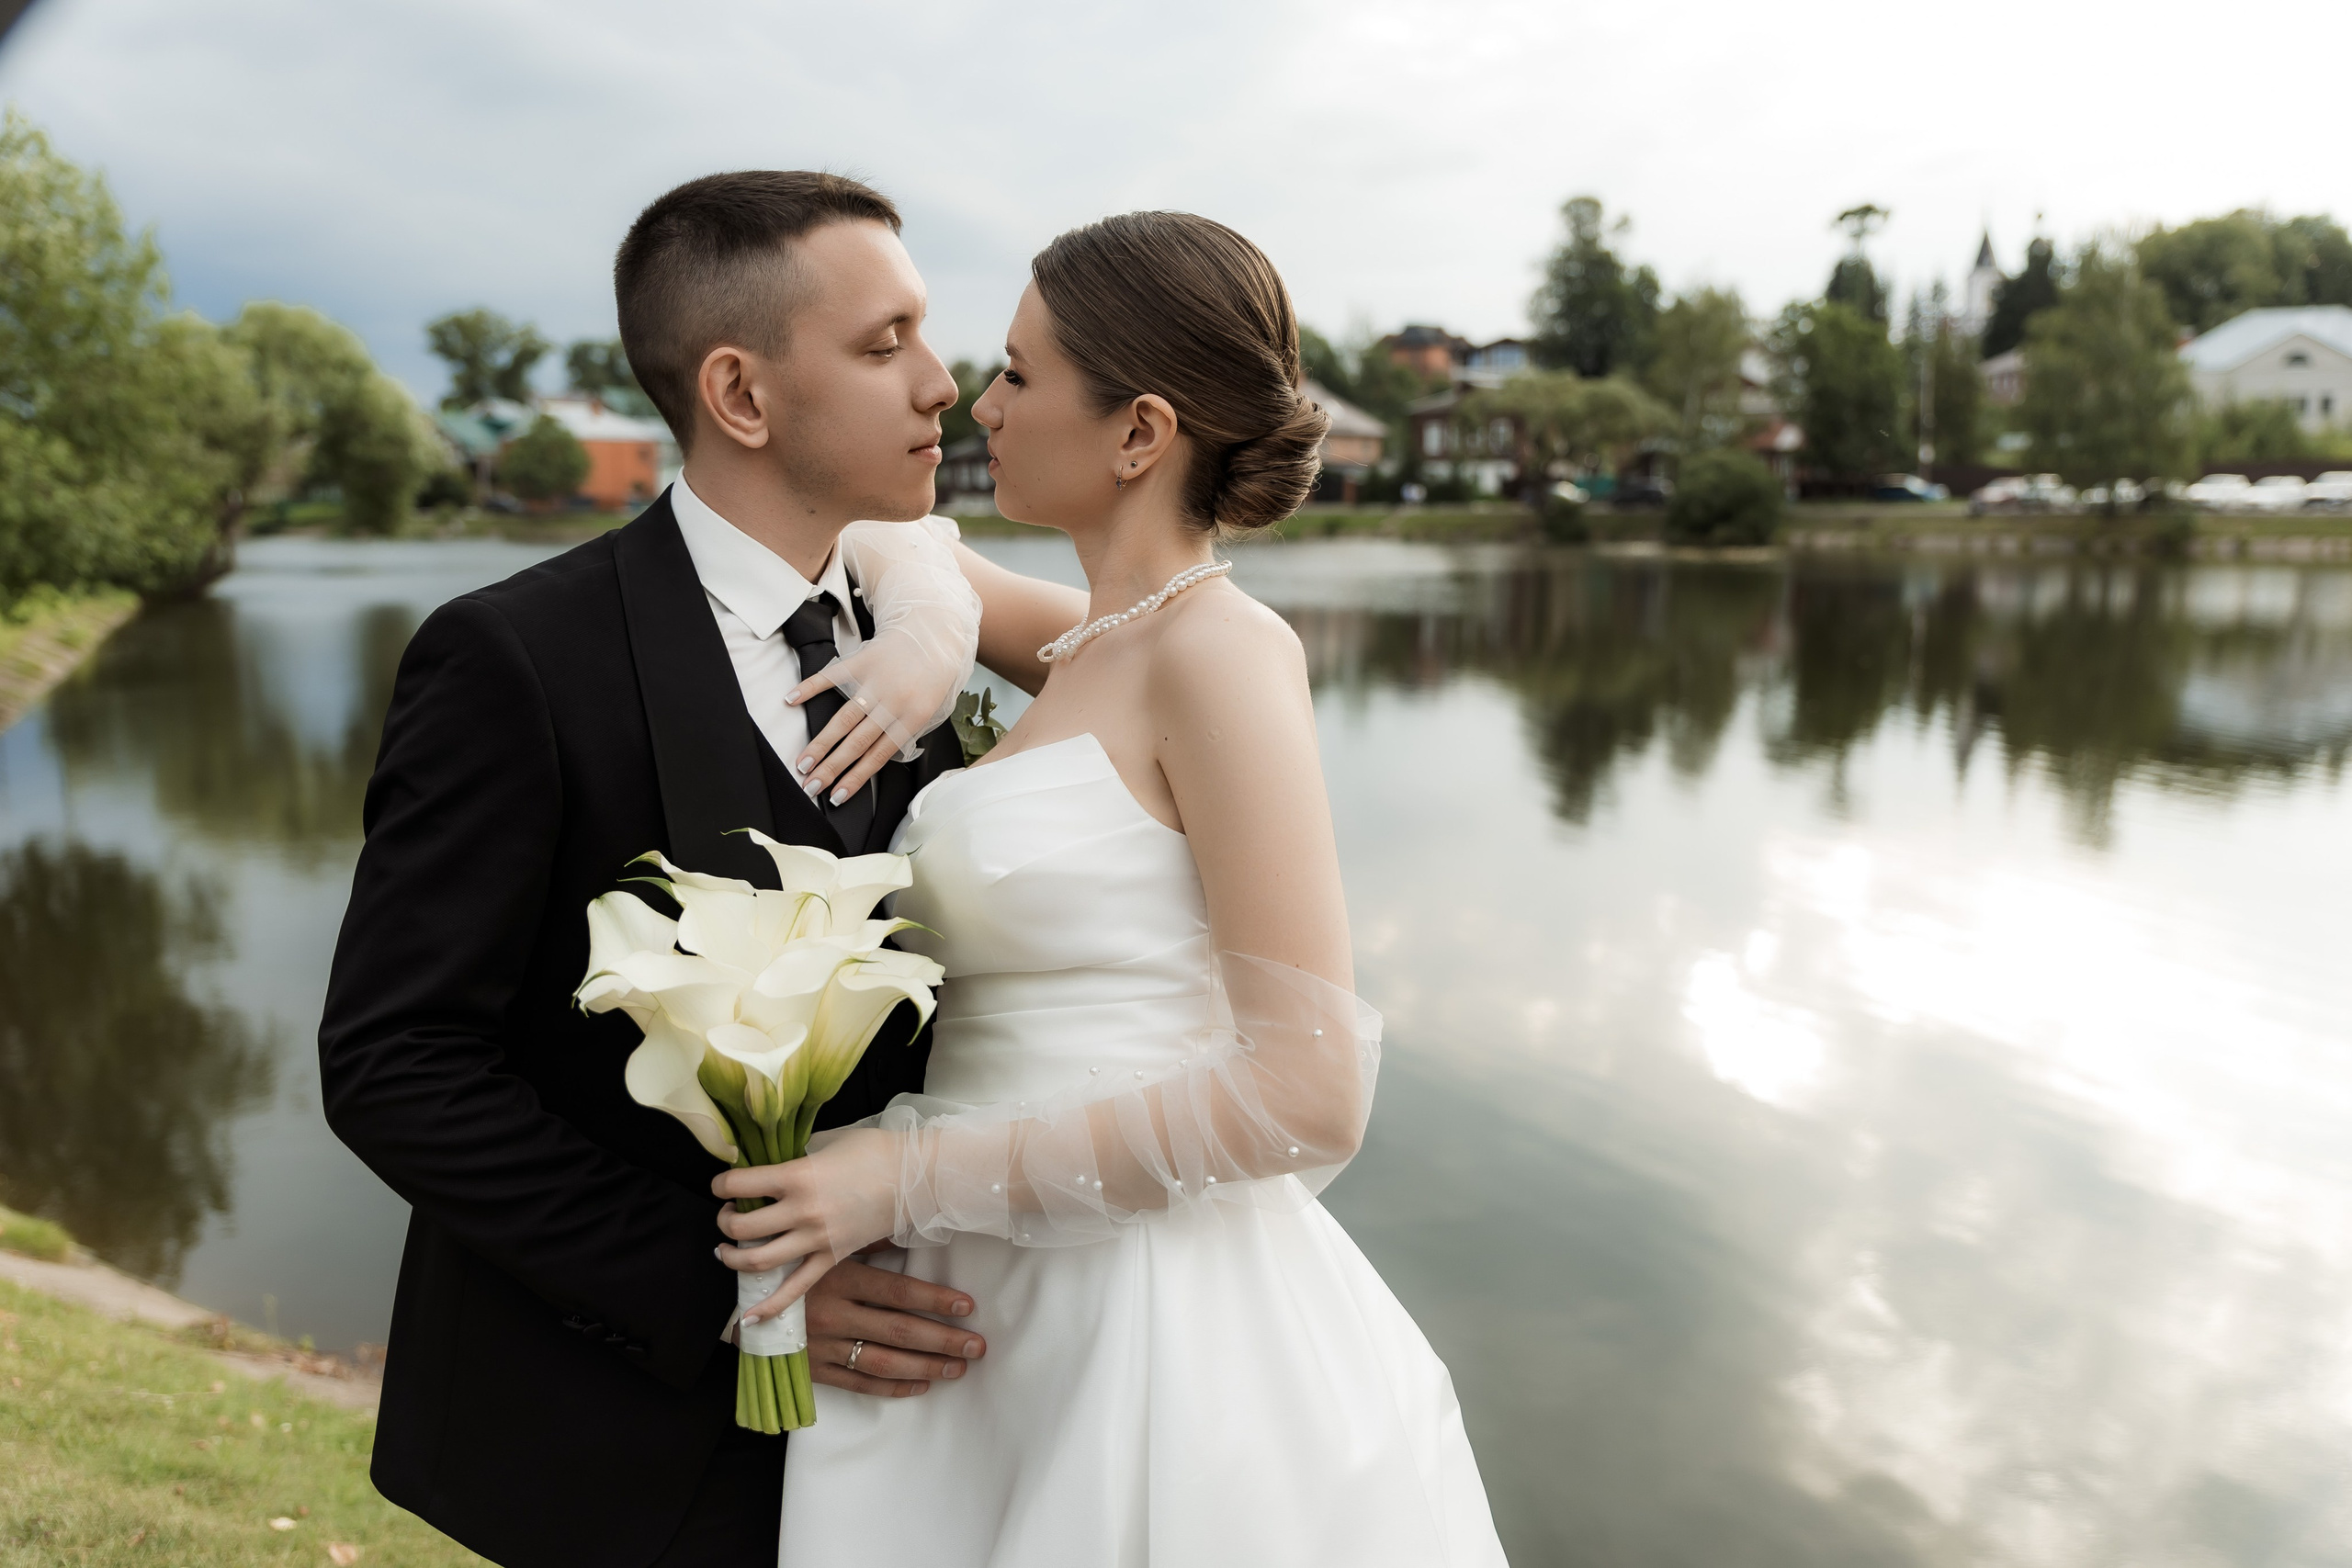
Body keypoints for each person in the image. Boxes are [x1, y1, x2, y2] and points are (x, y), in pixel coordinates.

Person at [715, 212, 1509, 1566]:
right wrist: (922, 636)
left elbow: (1308, 1089)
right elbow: (898, 539)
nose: (980, 399)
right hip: (982, 1286)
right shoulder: (1091, 640)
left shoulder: (1222, 653)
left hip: (1142, 1305)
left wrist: (905, 1175)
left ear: (1139, 433)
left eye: (1019, 373)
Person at [319, 172, 1011, 1568]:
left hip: (927, 1421)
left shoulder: (923, 629)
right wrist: (732, 1291)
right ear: (742, 397)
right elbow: (397, 1061)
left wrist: (935, 591)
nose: (944, 385)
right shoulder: (512, 659)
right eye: (885, 346)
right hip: (629, 1445)